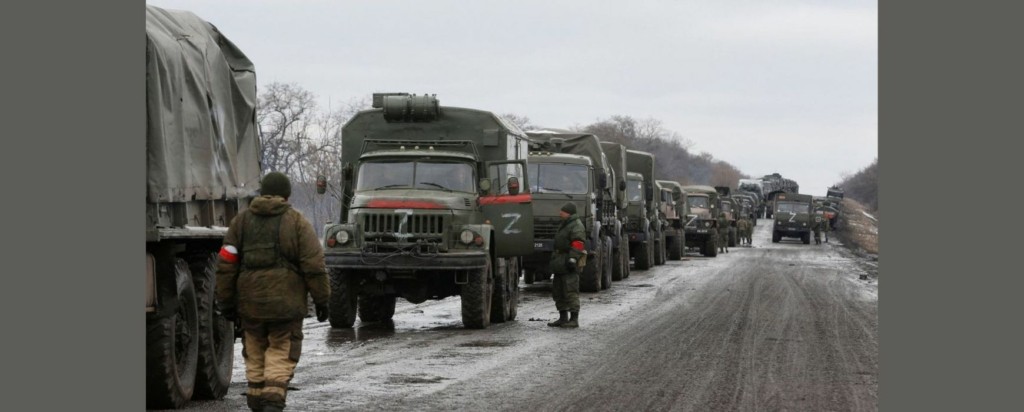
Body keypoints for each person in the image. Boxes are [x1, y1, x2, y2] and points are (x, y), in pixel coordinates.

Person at [216, 172, 331, 412]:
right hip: (286, 304)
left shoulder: (241, 222)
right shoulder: (297, 222)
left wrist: (226, 302)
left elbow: (226, 264)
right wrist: (322, 300)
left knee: (254, 348)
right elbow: (314, 266)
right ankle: (273, 399)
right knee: (281, 349)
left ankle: (257, 398)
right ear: (287, 195)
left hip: (250, 304)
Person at [548, 202, 586, 328]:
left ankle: (574, 319)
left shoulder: (576, 226)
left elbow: (578, 243)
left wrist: (573, 260)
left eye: (562, 211)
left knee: (570, 291)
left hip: (568, 262)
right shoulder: (565, 224)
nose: (560, 213)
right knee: (558, 291)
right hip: (560, 262)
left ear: (568, 213)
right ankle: (563, 317)